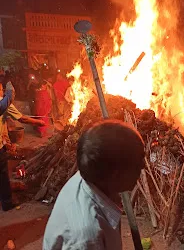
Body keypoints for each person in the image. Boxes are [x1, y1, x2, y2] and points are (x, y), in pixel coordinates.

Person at [43, 120, 145, 250]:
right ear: (115, 174)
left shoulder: (93, 178)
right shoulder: (86, 237)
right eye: (139, 160)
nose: (143, 166)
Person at [0, 83, 45, 211]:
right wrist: (39, 122)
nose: (3, 91)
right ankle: (7, 203)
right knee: (3, 175)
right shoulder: (4, 104)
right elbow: (23, 119)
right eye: (2, 89)